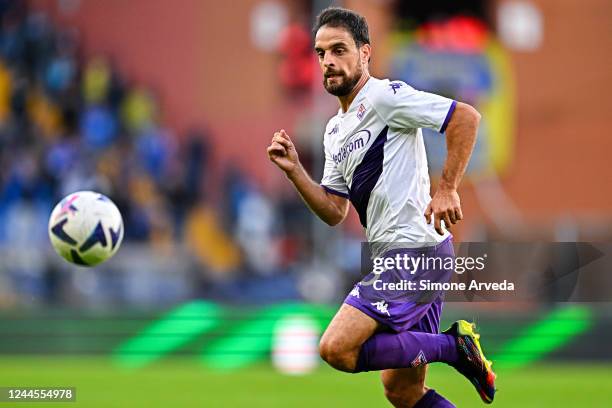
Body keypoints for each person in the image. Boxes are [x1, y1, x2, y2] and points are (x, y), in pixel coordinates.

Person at [267, 7, 495, 407]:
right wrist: (296, 172)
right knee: (403, 392)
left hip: (415, 255)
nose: (329, 62)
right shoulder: (334, 131)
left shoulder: (385, 97)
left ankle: (453, 347)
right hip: (398, 257)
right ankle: (452, 348)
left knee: (336, 348)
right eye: (321, 53)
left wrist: (447, 189)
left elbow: (466, 118)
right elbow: (335, 211)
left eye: (339, 50)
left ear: (365, 52)